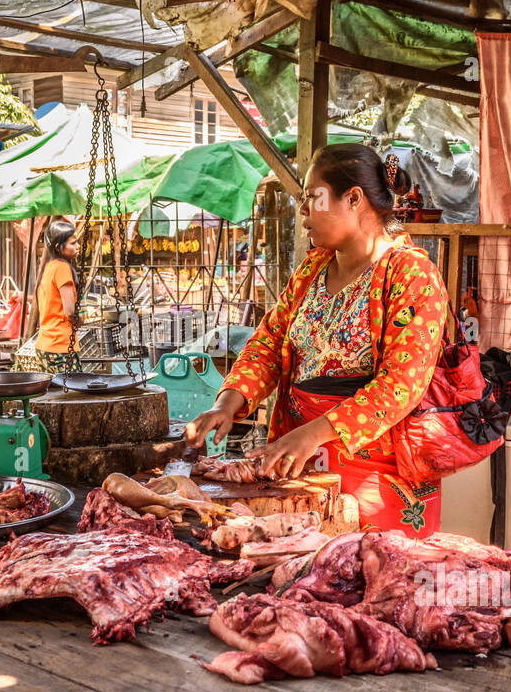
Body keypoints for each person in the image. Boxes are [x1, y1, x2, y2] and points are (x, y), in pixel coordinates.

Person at [185, 144, 450, 534]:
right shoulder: (312, 268)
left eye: (312, 197)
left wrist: (312, 434)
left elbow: (400, 385)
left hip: (377, 478)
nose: (303, 211)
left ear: (354, 199)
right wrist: (227, 404)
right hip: (298, 469)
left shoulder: (412, 275)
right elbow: (269, 344)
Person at [23, 219, 83, 373]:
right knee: (74, 393)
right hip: (60, 346)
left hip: (45, 345)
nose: (78, 246)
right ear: (58, 247)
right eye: (73, 243)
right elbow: (70, 311)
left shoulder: (48, 267)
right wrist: (80, 320)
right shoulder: (62, 268)